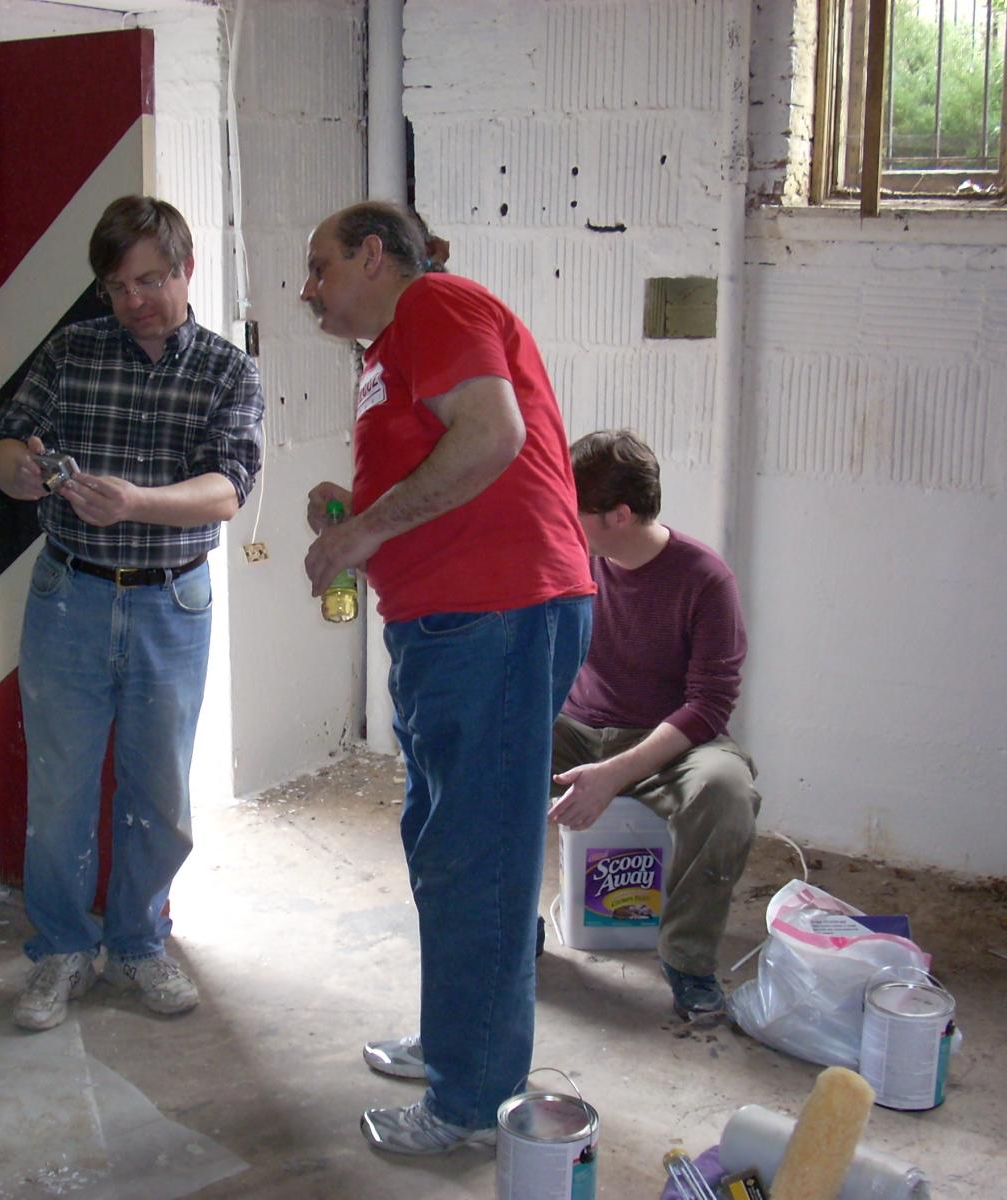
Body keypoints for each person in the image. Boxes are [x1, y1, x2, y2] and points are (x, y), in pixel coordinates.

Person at [301, 201, 594, 1155]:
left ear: (373, 256)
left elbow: (492, 435)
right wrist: (354, 507)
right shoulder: (393, 349)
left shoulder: (434, 302)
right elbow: (443, 467)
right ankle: (458, 1042)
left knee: (478, 859)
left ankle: (471, 1104)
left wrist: (363, 529)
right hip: (460, 620)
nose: (307, 290)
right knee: (444, 844)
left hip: (495, 613)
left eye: (319, 266)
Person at [0, 195, 263, 1032]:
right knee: (61, 787)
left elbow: (227, 490)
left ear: (186, 268)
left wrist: (137, 502)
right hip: (69, 593)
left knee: (159, 787)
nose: (133, 300)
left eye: (148, 280)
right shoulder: (72, 350)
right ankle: (61, 948)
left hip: (171, 601)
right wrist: (19, 470)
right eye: (116, 287)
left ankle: (140, 941)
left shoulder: (227, 370)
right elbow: (7, 445)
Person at [548, 430, 760, 1021]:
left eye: (573, 506)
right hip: (577, 728)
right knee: (492, 755)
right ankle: (510, 928)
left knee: (727, 791)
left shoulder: (705, 580)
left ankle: (688, 960)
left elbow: (709, 705)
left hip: (669, 742)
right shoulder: (571, 556)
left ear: (618, 516)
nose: (561, 516)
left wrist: (614, 774)